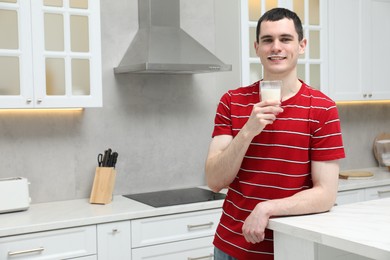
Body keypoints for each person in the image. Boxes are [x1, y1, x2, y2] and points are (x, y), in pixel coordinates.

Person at [205, 7, 345, 260]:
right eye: (268, 40)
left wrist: (266, 208)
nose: (276, 47)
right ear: (257, 47)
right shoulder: (232, 101)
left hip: (290, 249)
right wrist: (248, 130)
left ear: (301, 45)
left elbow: (326, 194)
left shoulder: (323, 108)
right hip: (230, 247)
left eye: (285, 39)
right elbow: (214, 180)